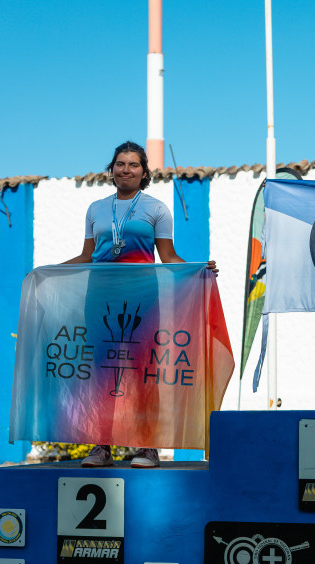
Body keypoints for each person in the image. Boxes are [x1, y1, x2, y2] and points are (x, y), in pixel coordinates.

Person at [63, 141, 218, 468]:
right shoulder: (96, 209)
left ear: (144, 172)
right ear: (112, 169)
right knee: (102, 373)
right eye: (120, 164)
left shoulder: (157, 209)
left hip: (142, 296)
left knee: (141, 372)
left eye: (133, 165)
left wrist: (197, 268)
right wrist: (48, 270)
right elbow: (87, 256)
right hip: (101, 296)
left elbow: (169, 256)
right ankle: (100, 447)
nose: (126, 170)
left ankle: (146, 447)